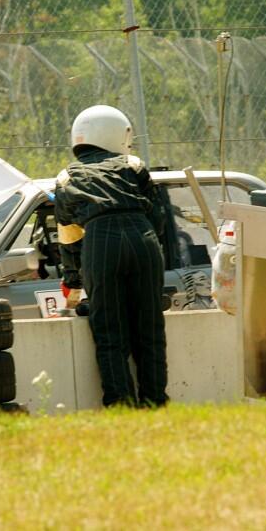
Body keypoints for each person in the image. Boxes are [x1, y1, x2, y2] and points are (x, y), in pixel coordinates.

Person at [54, 105, 169, 407]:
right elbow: (158, 218)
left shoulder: (66, 177)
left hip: (101, 242)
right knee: (150, 329)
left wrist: (74, 282)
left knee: (109, 333)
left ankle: (120, 404)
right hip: (143, 239)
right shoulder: (134, 165)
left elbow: (68, 236)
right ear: (119, 134)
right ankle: (155, 402)